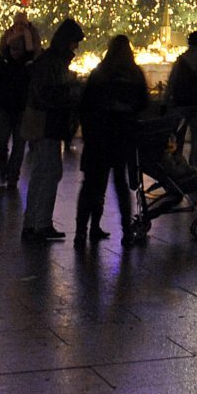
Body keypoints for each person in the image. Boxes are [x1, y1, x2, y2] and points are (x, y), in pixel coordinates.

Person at [76, 34, 148, 243]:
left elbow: (86, 103)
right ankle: (125, 230)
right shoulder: (134, 74)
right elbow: (143, 103)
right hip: (121, 136)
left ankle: (84, 229)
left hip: (98, 136)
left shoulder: (100, 73)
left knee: (92, 184)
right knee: (120, 183)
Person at [22, 18, 84, 241]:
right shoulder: (52, 63)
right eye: (74, 42)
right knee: (48, 172)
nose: (76, 47)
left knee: (43, 172)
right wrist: (71, 92)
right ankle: (40, 223)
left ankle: (33, 222)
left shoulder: (50, 60)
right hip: (46, 123)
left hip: (45, 122)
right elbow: (49, 93)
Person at [0, 36, 32, 187]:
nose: (15, 53)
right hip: (4, 108)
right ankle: (5, 170)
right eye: (13, 49)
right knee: (1, 143)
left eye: (18, 49)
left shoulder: (28, 65)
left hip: (21, 109)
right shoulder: (2, 63)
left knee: (18, 145)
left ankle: (12, 175)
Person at [166, 31, 197, 172]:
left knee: (178, 137)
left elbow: (172, 81)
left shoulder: (182, 60)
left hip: (182, 103)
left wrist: (166, 101)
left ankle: (178, 167)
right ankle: (194, 169)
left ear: (189, 42)